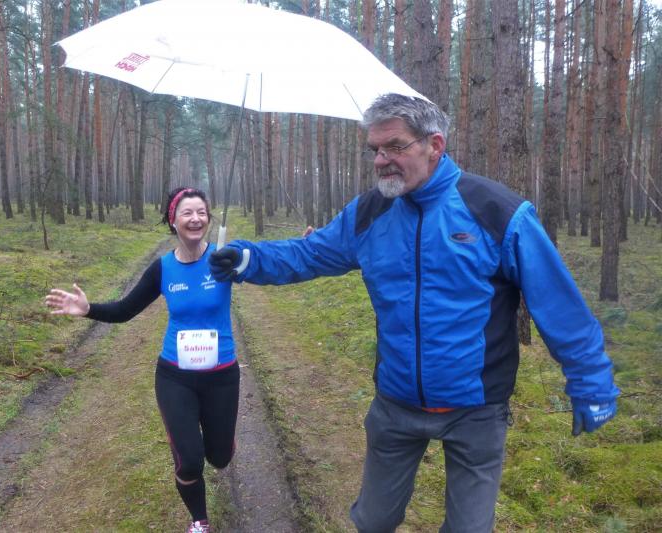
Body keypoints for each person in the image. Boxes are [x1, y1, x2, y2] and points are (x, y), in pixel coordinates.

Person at [209, 94, 619, 532]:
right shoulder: (371, 212)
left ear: (434, 145)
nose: (380, 160)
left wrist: (591, 382)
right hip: (396, 402)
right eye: (375, 149)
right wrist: (250, 259)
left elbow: (557, 302)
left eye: (394, 146)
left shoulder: (496, 211)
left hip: (476, 408)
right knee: (373, 521)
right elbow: (310, 253)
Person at [45, 187, 236, 533]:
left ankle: (221, 444)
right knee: (190, 461)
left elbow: (270, 267)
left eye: (201, 212)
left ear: (209, 218)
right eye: (187, 213)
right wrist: (87, 309)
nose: (196, 219)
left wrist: (306, 245)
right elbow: (125, 310)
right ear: (173, 221)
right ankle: (199, 520)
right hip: (175, 377)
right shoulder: (163, 269)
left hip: (222, 375)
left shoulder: (224, 259)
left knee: (219, 458)